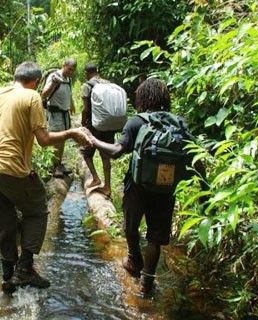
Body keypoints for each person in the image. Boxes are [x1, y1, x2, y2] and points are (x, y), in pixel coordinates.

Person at [0, 61, 91, 293]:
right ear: (36, 82)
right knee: (38, 208)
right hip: (8, 166)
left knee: (4, 221)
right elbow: (44, 139)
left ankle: (8, 277)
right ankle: (25, 268)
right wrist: (71, 133)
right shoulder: (31, 97)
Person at [84, 78, 203, 297]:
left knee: (131, 226)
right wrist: (205, 195)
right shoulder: (179, 123)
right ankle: (147, 283)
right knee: (155, 238)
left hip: (137, 186)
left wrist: (93, 139)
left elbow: (117, 151)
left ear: (142, 98)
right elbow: (197, 157)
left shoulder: (137, 122)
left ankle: (133, 259)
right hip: (166, 190)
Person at [80, 62, 117, 197]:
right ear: (97, 71)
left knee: (85, 152)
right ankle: (107, 187)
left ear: (86, 73)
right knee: (105, 155)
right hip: (109, 124)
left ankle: (95, 178)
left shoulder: (87, 86)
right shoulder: (108, 83)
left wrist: (83, 123)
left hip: (94, 125)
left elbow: (85, 109)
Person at [41, 58, 77, 178]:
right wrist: (53, 83)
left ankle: (59, 164)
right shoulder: (54, 76)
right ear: (64, 65)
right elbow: (44, 94)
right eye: (69, 69)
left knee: (63, 140)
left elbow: (69, 93)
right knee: (56, 141)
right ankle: (54, 167)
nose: (71, 72)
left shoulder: (68, 79)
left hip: (65, 114)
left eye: (73, 70)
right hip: (55, 113)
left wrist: (71, 105)